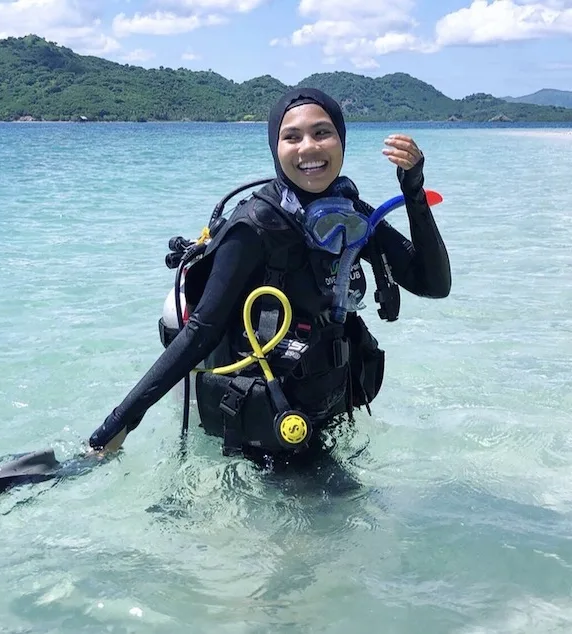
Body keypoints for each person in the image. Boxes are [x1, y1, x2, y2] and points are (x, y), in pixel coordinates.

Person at [88, 88, 451, 461]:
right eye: (291, 136)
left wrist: (413, 190)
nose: (308, 147)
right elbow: (199, 333)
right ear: (275, 147)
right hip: (265, 435)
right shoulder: (256, 225)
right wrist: (114, 428)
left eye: (322, 133)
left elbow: (433, 284)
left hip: (326, 416)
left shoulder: (351, 216)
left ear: (341, 140)